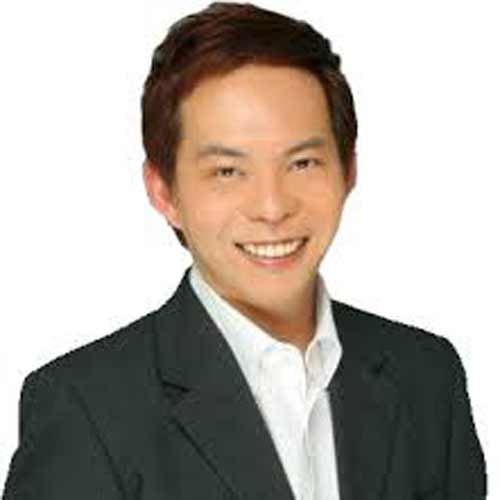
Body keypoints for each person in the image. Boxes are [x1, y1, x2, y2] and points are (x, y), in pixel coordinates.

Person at [2, 2, 487, 499]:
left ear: (348, 171)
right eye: (228, 171)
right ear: (163, 191)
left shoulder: (426, 376)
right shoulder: (84, 409)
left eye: (302, 162)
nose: (272, 207)